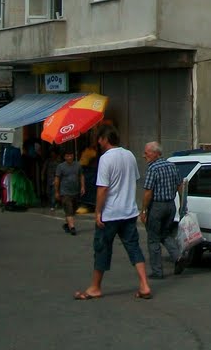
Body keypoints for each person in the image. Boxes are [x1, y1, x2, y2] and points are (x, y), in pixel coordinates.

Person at [73, 126, 152, 300]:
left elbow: (102, 189)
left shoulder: (105, 159)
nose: (98, 142)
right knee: (133, 247)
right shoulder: (130, 155)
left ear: (105, 139)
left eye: (99, 139)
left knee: (101, 248)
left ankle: (95, 287)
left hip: (110, 213)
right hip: (128, 211)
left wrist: (98, 212)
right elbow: (135, 179)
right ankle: (144, 285)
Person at [140, 142, 186, 279]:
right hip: (170, 206)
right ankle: (178, 257)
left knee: (153, 239)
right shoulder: (172, 166)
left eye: (147, 153)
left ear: (156, 153)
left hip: (157, 207)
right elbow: (180, 186)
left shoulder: (152, 168)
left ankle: (157, 271)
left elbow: (148, 192)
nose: (144, 156)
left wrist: (143, 211)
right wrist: (182, 204)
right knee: (165, 234)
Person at [55, 149, 84, 235]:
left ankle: (67, 224)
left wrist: (83, 186)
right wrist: (57, 192)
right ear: (64, 157)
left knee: (74, 208)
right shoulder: (60, 167)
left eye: (71, 155)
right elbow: (57, 179)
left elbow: (81, 176)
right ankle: (72, 227)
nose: (69, 157)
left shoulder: (78, 165)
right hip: (65, 192)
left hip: (75, 191)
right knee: (69, 209)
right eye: (67, 156)